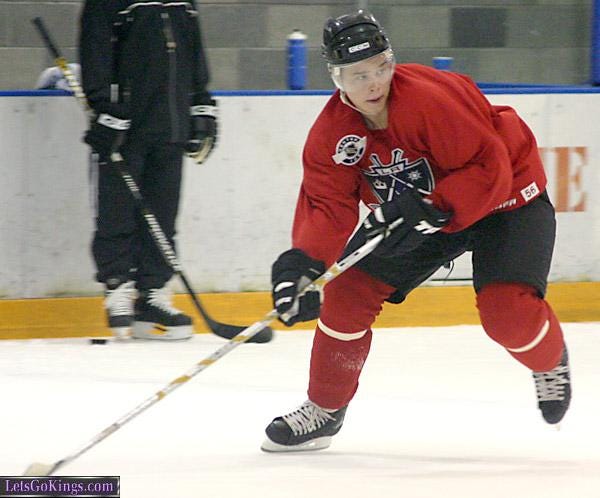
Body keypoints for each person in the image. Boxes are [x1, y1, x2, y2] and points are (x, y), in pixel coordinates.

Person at [262, 10, 572, 452]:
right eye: (357, 75)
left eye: (380, 68)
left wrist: (433, 206)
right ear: (337, 79)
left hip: (507, 200)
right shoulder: (333, 134)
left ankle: (549, 359)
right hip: (428, 212)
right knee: (347, 289)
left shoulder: (428, 99)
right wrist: (303, 267)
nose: (372, 84)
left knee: (507, 315)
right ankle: (325, 409)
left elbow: (490, 167)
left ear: (391, 63)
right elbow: (328, 208)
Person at [79, 1, 217, 340]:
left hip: (172, 127)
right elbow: (95, 52)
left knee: (163, 215)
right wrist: (104, 107)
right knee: (117, 211)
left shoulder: (185, 3)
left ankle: (152, 294)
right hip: (126, 129)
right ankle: (118, 287)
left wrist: (202, 107)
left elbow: (194, 55)